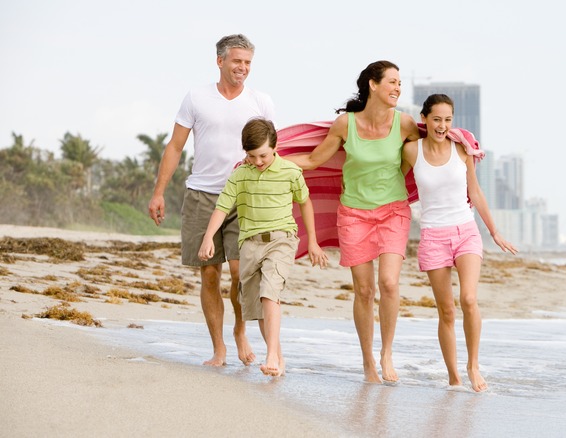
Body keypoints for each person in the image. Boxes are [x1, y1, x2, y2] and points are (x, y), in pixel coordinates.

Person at [286, 60, 420, 383]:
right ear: (373, 85)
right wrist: (271, 158)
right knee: (364, 289)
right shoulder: (345, 125)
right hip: (354, 214)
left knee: (388, 283)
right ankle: (368, 363)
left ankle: (387, 354)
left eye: (400, 83)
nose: (397, 88)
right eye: (392, 82)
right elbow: (315, 159)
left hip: (393, 212)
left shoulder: (405, 125)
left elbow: (423, 159)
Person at [147, 34, 275, 366]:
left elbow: (271, 153)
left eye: (247, 63)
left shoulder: (261, 102)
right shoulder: (196, 98)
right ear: (220, 61)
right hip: (202, 195)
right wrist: (159, 192)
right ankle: (219, 348)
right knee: (209, 274)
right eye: (237, 61)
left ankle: (240, 330)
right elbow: (175, 146)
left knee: (240, 271)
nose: (242, 68)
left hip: (243, 198)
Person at [401, 94, 518, 392]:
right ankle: (453, 376)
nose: (442, 125)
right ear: (425, 119)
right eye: (437, 119)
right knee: (447, 311)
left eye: (448, 120)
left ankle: (473, 365)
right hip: (432, 236)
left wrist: (495, 232)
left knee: (468, 299)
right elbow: (393, 184)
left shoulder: (462, 149)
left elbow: (475, 192)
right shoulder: (411, 151)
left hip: (465, 230)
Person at [197, 118, 327, 376]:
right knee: (257, 308)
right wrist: (208, 237)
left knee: (270, 293)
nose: (258, 161)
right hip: (249, 245)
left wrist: (312, 240)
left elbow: (305, 202)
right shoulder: (240, 175)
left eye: (263, 155)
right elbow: (222, 207)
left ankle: (271, 358)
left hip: (281, 240)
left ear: (275, 147)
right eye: (252, 156)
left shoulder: (290, 171)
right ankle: (277, 356)